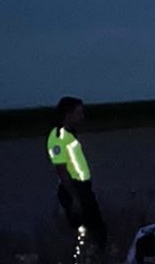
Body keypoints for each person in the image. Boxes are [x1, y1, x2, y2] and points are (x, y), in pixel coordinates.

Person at [47, 96, 107, 259]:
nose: (82, 117)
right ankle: (81, 258)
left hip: (84, 188)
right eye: (78, 113)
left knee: (98, 229)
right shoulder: (58, 138)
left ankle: (95, 256)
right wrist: (74, 198)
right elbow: (61, 169)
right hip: (74, 189)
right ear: (68, 114)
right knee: (86, 230)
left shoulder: (70, 135)